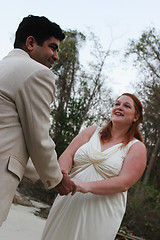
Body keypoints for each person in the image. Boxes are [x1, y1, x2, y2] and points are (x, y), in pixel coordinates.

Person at [0, 15, 76, 226]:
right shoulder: (37, 74)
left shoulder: (4, 68)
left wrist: (45, 174)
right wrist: (57, 179)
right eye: (53, 47)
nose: (56, 56)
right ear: (31, 43)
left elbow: (15, 139)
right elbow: (38, 139)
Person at [41, 93, 147, 240]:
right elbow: (68, 154)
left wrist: (86, 186)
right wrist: (63, 175)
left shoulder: (136, 147)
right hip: (69, 199)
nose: (119, 107)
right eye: (117, 104)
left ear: (136, 117)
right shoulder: (92, 132)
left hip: (101, 210)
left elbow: (124, 183)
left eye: (126, 106)